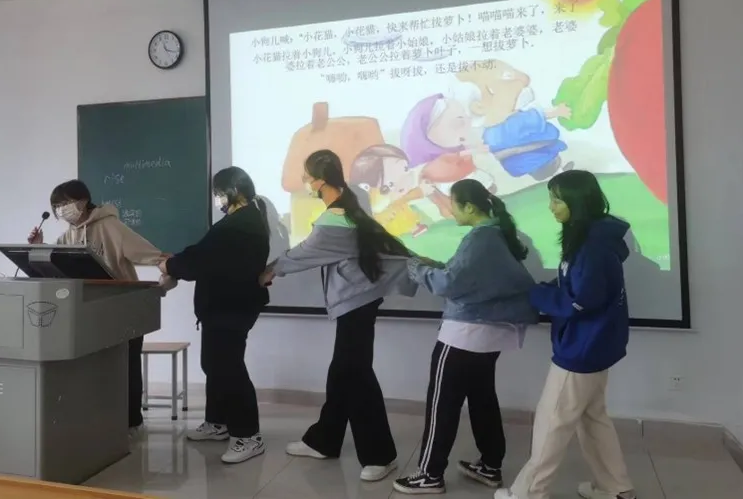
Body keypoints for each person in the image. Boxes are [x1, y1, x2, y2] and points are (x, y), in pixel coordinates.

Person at [260, 149, 415, 483]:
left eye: (307, 175)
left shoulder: (334, 221)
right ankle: (324, 440)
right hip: (359, 301)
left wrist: (269, 270)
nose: (304, 181)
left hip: (356, 302)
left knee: (356, 375)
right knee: (342, 373)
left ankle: (381, 455)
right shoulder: (349, 205)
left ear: (319, 180)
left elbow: (304, 253)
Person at [496, 170, 636, 499]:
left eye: (557, 200)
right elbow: (573, 286)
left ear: (577, 201)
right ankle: (616, 488)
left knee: (552, 423)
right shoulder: (591, 238)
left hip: (582, 348)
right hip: (596, 344)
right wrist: (545, 290)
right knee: (593, 418)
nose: (551, 207)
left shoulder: (592, 247)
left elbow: (580, 300)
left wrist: (535, 294)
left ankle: (529, 493)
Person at [393, 179, 538, 495]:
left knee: (442, 402)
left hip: (466, 334)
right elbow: (468, 276)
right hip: (487, 333)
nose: (448, 208)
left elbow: (450, 284)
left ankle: (429, 474)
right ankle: (490, 465)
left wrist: (418, 269)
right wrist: (437, 266)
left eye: (452, 202)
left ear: (469, 207)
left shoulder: (480, 239)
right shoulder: (494, 234)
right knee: (482, 398)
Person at [28, 179, 170, 435]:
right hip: (90, 313)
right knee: (99, 370)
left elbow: (150, 254)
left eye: (65, 203)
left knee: (126, 367)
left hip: (123, 309)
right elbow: (57, 267)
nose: (61, 210)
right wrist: (39, 247)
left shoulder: (111, 227)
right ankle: (103, 420)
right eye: (56, 206)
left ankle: (131, 422)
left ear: (83, 201)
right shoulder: (69, 235)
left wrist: (167, 273)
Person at [159, 167, 270, 465]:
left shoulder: (240, 225)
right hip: (222, 306)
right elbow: (205, 255)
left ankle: (248, 435)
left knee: (227, 367)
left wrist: (171, 266)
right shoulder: (240, 221)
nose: (217, 198)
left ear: (234, 191)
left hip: (231, 307)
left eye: (219, 192)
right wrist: (177, 263)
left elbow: (202, 258)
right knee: (214, 363)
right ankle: (218, 422)